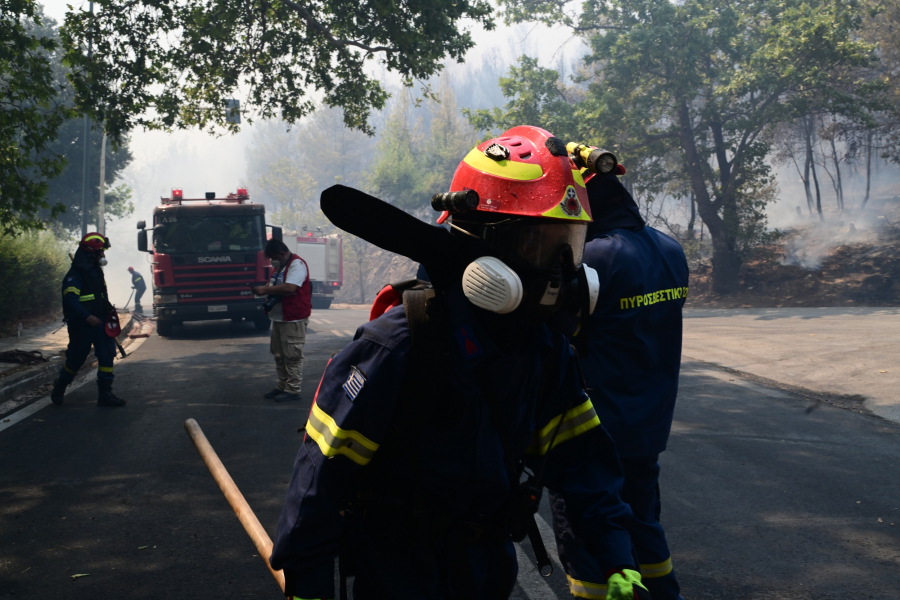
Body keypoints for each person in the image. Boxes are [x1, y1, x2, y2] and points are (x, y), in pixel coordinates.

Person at [270, 126, 651, 600]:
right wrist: (306, 585)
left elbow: (584, 463)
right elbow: (319, 478)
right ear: (480, 244)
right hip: (399, 575)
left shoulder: (542, 348)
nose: (558, 273)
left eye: (568, 247)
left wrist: (617, 557)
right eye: (539, 245)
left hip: (487, 571)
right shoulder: (398, 346)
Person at [556, 147, 690, 600]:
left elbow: (558, 331)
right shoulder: (670, 249)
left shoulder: (593, 258)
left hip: (598, 425)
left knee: (592, 532)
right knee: (643, 521)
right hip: (650, 421)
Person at [51, 233, 126, 407]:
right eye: (100, 252)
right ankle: (60, 385)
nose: (103, 255)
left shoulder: (96, 272)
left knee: (107, 355)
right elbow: (71, 300)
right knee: (77, 359)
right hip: (81, 325)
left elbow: (100, 296)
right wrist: (87, 316)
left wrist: (108, 311)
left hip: (101, 321)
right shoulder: (75, 275)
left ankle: (105, 393)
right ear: (91, 253)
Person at [252, 238, 311, 403]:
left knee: (292, 355)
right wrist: (265, 291)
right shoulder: (280, 267)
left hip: (293, 318)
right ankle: (283, 385)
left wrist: (265, 290)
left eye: (274, 257)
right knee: (279, 354)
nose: (272, 261)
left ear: (282, 253)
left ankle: (293, 389)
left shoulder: (297, 265)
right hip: (279, 318)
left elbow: (290, 287)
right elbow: (273, 284)